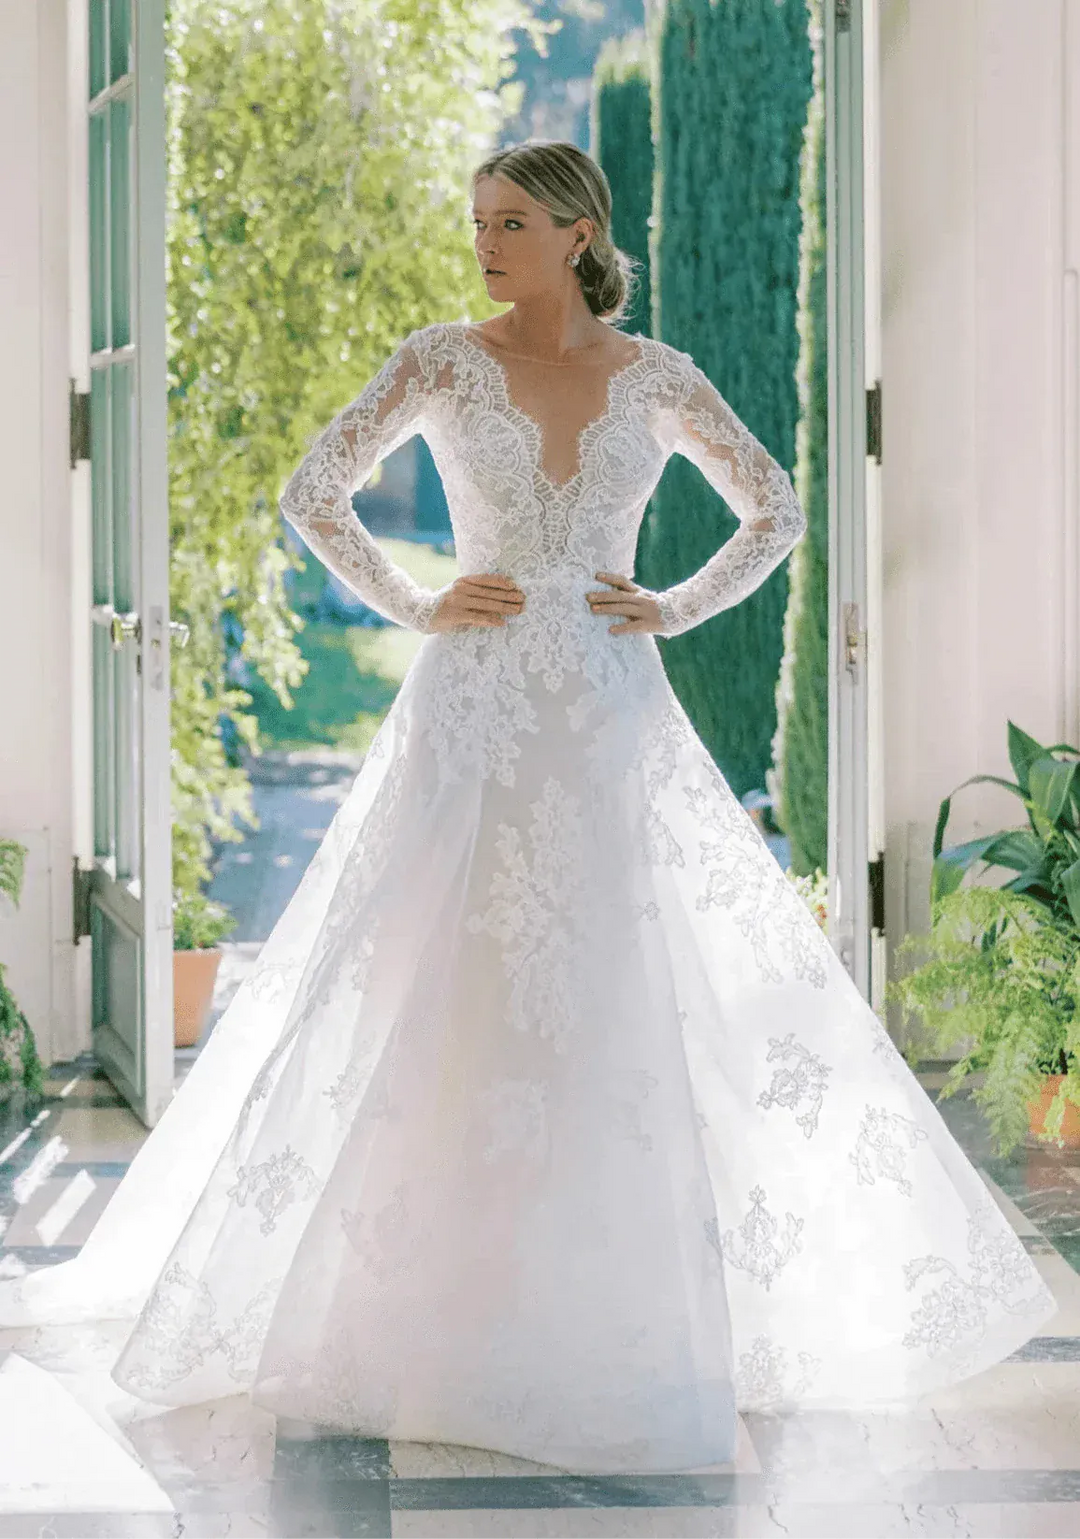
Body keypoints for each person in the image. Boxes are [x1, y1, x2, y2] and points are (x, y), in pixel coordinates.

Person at [0, 141, 1055, 1476]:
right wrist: (418, 598)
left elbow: (775, 508)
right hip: (476, 708)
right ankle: (423, 1297)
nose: (487, 242)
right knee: (445, 982)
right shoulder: (442, 356)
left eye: (511, 222)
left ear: (577, 232)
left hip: (609, 711)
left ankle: (618, 1296)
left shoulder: (655, 373)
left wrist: (669, 605)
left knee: (618, 982)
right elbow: (311, 489)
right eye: (480, 220)